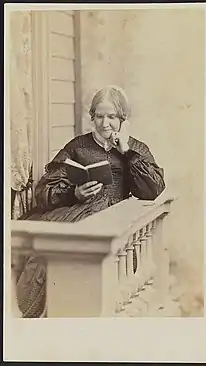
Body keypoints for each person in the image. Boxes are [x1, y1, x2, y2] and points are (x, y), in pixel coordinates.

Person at [16, 85, 165, 317]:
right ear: (92, 117)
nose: (105, 124)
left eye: (112, 117)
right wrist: (74, 193)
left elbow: (153, 189)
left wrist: (125, 151)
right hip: (75, 212)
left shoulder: (135, 147)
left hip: (114, 216)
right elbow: (44, 190)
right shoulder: (78, 146)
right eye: (99, 116)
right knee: (45, 257)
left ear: (122, 119)